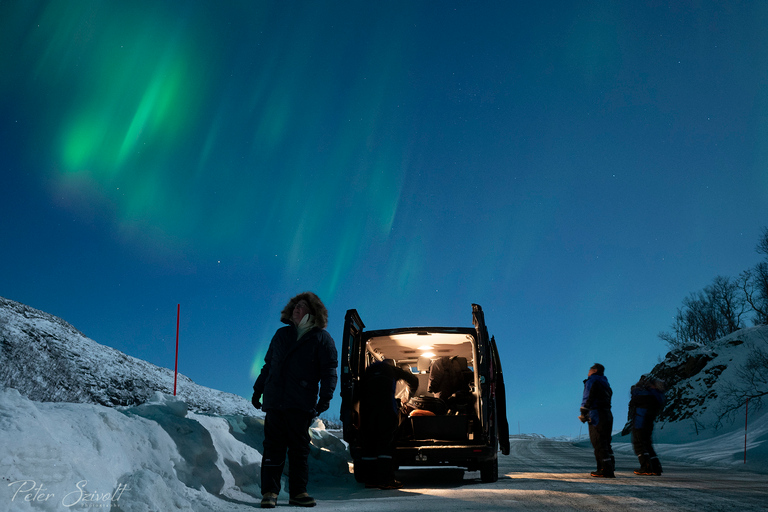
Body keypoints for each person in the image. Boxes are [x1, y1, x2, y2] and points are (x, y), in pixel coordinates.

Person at [252, 292, 338, 508]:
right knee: (272, 447)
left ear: (312, 311)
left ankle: (298, 492)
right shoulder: (281, 335)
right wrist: (258, 389)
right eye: (295, 306)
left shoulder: (321, 338)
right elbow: (269, 365)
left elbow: (329, 370)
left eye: (302, 306)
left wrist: (326, 397)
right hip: (275, 400)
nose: (297, 309)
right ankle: (269, 492)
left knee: (299, 449)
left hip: (301, 402)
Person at [359, 358, 419, 489]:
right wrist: (409, 397)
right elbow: (414, 380)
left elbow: (357, 392)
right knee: (385, 445)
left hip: (366, 412)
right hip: (385, 410)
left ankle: (370, 480)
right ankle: (386, 480)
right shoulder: (392, 370)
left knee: (369, 445)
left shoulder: (367, 371)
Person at [579, 363, 615, 478]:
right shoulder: (605, 382)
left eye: (589, 369)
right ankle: (609, 466)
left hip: (596, 414)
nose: (588, 372)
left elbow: (587, 397)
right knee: (606, 441)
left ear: (594, 370)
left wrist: (583, 412)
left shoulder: (592, 381)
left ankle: (604, 469)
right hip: (607, 413)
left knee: (598, 441)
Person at [628, 375, 666, 476]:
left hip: (640, 421)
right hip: (648, 422)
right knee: (647, 444)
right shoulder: (657, 396)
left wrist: (636, 388)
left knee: (639, 444)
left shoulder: (646, 395)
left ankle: (646, 467)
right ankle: (656, 467)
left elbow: (635, 397)